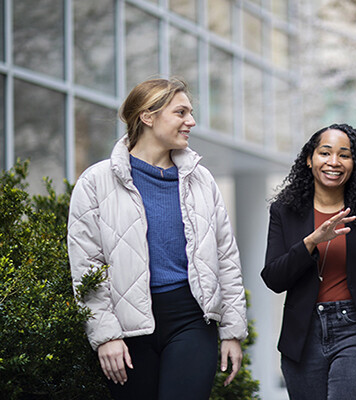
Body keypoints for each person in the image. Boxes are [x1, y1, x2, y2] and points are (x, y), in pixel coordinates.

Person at [68, 78, 248, 399]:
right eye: (180, 113)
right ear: (147, 117)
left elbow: (226, 259)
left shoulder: (200, 180)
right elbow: (87, 266)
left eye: (190, 113)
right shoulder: (96, 182)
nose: (190, 121)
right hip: (128, 327)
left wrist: (232, 332)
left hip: (190, 319)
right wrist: (106, 335)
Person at [262, 123, 356, 399]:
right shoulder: (285, 211)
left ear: (354, 163)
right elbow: (274, 278)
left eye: (344, 155)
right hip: (303, 334)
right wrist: (312, 241)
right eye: (325, 153)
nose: (334, 162)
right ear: (309, 159)